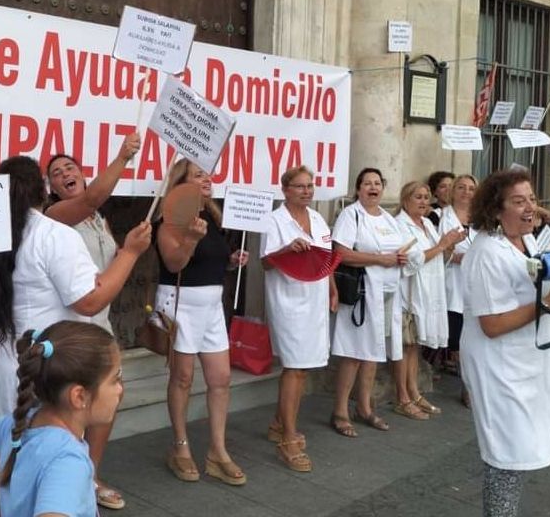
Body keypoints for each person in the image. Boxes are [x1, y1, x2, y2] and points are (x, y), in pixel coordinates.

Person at [0, 156, 150, 419]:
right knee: (43, 448)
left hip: (7, 360)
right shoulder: (53, 234)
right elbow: (89, 301)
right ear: (44, 190)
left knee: (8, 446)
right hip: (45, 367)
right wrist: (131, 252)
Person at [460, 169, 550, 517]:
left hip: (524, 361)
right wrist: (549, 304)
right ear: (496, 210)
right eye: (518, 201)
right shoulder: (485, 253)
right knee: (507, 456)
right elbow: (492, 324)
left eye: (532, 199)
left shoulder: (524, 240)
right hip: (499, 367)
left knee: (519, 452)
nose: (531, 208)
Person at [42, 133, 140, 511]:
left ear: (82, 174)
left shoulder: (99, 219)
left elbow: (115, 265)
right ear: (50, 188)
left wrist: (130, 248)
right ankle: (65, 481)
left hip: (103, 322)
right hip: (76, 325)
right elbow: (91, 199)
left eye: (70, 167)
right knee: (75, 405)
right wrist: (122, 157)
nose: (65, 173)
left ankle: (90, 473)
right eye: (56, 173)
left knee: (109, 401)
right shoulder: (56, 217)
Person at [0, 321, 122, 517]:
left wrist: (16, 490)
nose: (120, 388)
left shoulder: (21, 423)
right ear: (79, 396)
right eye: (115, 379)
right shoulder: (68, 461)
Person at [155, 159, 248, 484]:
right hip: (180, 305)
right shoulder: (169, 221)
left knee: (220, 378)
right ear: (181, 184)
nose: (206, 179)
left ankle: (217, 450)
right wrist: (192, 239)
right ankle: (180, 447)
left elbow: (211, 264)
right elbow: (174, 261)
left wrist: (232, 262)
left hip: (211, 307)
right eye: (198, 175)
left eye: (207, 174)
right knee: (182, 378)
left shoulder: (212, 216)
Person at [260, 166, 335, 472]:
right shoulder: (275, 220)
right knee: (294, 368)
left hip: (315, 299)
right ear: (285, 190)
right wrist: (286, 250)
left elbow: (326, 257)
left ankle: (279, 423)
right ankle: (288, 439)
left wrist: (332, 289)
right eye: (300, 186)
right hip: (289, 302)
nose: (307, 191)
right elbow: (265, 263)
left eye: (310, 186)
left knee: (303, 368)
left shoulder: (317, 218)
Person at [329, 168, 408, 437]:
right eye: (367, 183)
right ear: (358, 189)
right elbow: (340, 253)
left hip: (386, 293)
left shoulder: (388, 218)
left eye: (377, 183)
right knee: (353, 353)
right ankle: (340, 411)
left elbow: (396, 250)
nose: (372, 187)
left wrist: (400, 259)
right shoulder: (351, 215)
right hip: (362, 293)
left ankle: (364, 407)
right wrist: (380, 259)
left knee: (373, 352)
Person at [393, 182, 463, 420]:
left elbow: (437, 256)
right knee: (405, 345)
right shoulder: (399, 225)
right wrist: (442, 245)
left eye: (426, 197)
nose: (423, 202)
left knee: (415, 346)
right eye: (417, 197)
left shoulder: (427, 225)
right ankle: (402, 396)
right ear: (405, 200)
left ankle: (414, 391)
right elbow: (410, 260)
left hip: (428, 292)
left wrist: (448, 245)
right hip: (409, 293)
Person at [438, 174, 477, 407]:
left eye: (471, 188)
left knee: (474, 338)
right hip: (454, 283)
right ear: (453, 191)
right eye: (461, 187)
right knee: (460, 339)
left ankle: (470, 386)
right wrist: (455, 255)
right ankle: (467, 386)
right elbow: (440, 249)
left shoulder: (482, 218)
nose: (466, 192)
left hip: (477, 285)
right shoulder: (444, 217)